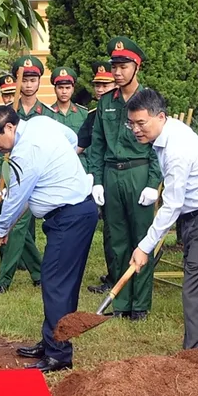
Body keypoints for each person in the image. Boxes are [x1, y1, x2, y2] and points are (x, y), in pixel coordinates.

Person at [0, 106, 97, 373]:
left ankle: (58, 355)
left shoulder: (25, 152)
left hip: (71, 216)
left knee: (56, 283)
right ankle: (51, 341)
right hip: (73, 214)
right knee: (58, 283)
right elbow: (72, 140)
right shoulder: (40, 122)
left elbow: (15, 199)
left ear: (9, 128)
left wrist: (1, 229)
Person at [127, 90, 198, 349]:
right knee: (196, 288)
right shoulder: (167, 132)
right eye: (131, 123)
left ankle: (195, 360)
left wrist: (145, 246)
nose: (135, 130)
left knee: (196, 291)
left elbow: (172, 203)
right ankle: (196, 353)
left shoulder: (177, 149)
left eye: (141, 123)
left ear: (160, 117)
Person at [87, 37, 161, 321]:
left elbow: (158, 142)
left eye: (123, 66)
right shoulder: (106, 101)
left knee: (141, 238)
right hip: (111, 174)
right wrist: (96, 179)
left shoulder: (148, 101)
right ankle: (121, 301)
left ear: (136, 67)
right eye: (114, 66)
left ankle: (139, 305)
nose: (117, 72)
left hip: (138, 170)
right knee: (116, 239)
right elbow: (97, 144)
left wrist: (153, 182)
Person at [0, 57, 48, 292]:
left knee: (15, 223)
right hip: (11, 175)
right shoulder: (7, 112)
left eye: (32, 80)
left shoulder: (45, 113)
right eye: (23, 80)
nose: (27, 85)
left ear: (38, 83)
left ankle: (3, 280)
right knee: (18, 226)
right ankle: (39, 273)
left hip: (36, 178)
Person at [83, 61, 117, 295]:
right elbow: (80, 144)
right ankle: (114, 276)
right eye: (97, 85)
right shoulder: (94, 115)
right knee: (111, 233)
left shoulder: (131, 107)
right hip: (104, 178)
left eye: (105, 84)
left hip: (126, 174)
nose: (100, 89)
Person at [49, 67, 87, 134]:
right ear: (55, 90)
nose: (64, 91)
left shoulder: (83, 114)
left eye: (67, 88)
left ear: (73, 89)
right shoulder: (48, 114)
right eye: (60, 88)